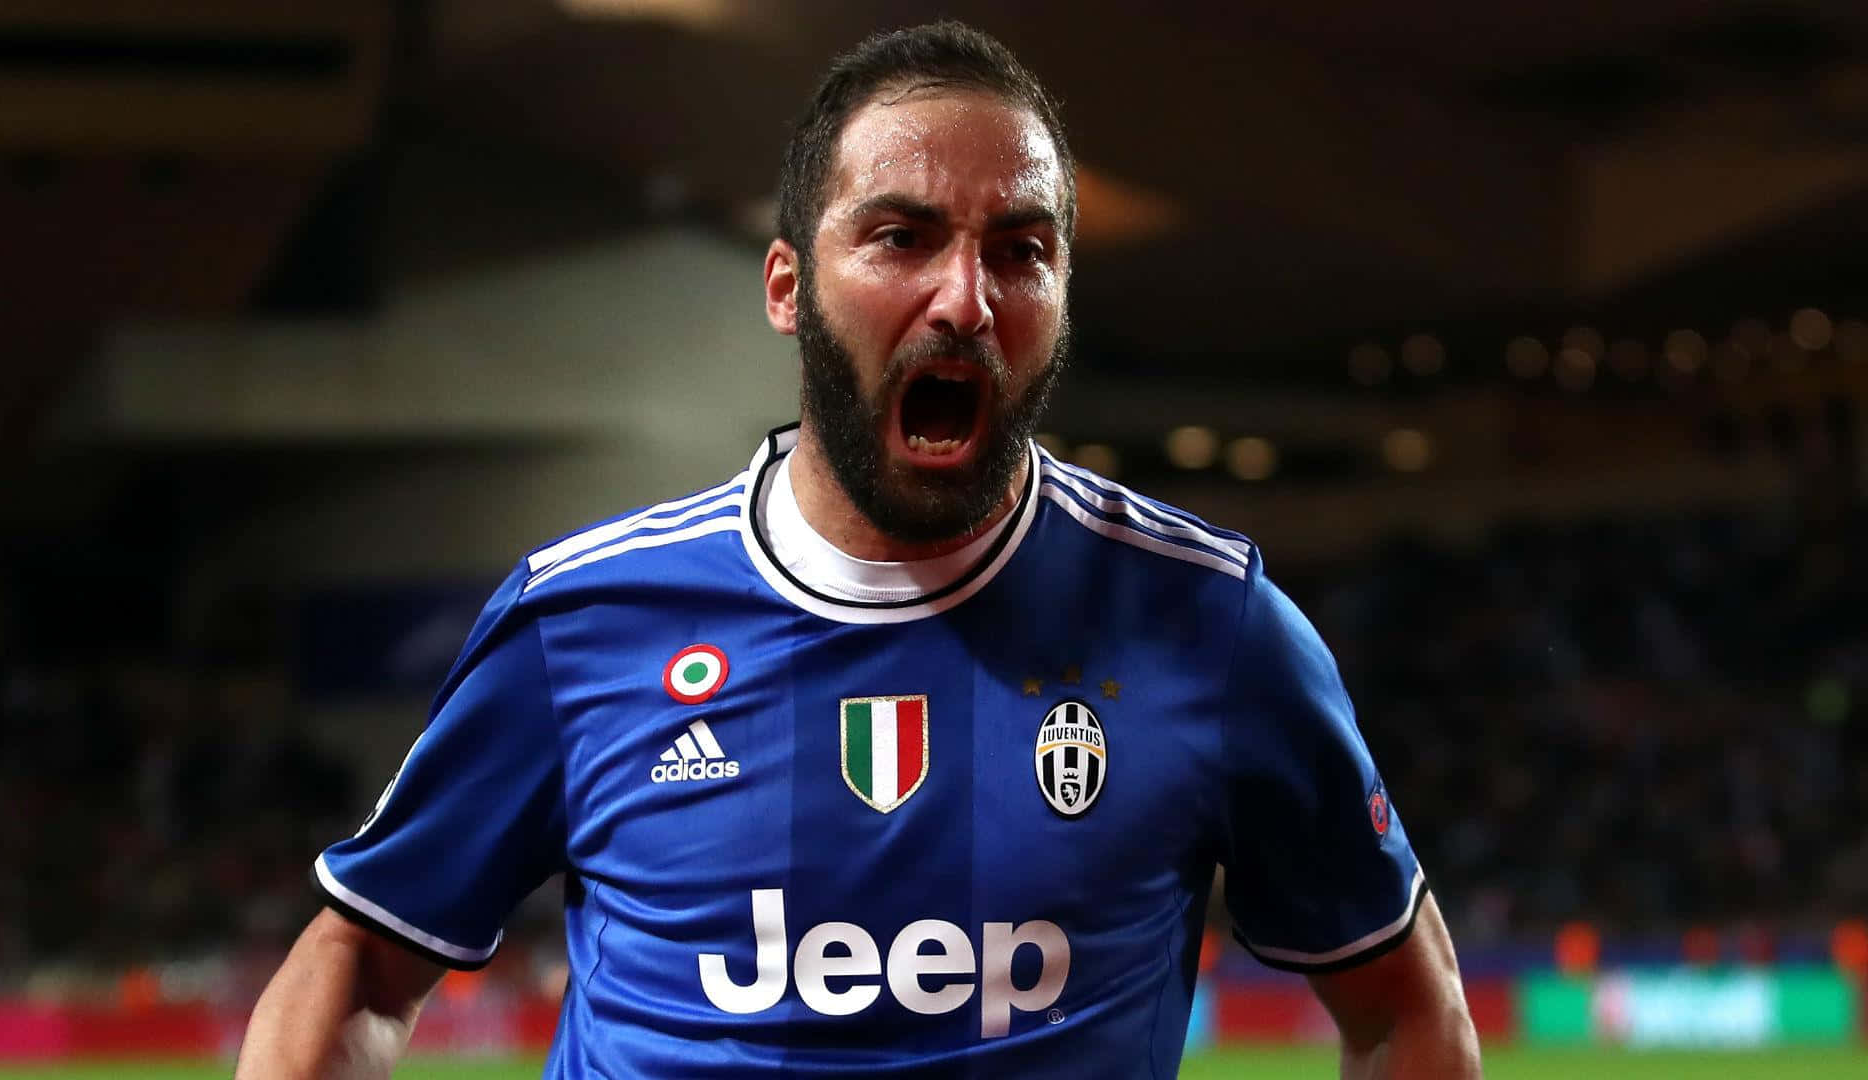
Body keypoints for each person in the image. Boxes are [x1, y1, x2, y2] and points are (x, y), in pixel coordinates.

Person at [237, 21, 1480, 1079]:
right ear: (789, 287)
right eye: (902, 237)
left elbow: (1405, 1008)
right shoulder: (582, 623)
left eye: (1021, 251)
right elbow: (357, 966)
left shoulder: (1211, 625)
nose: (966, 299)